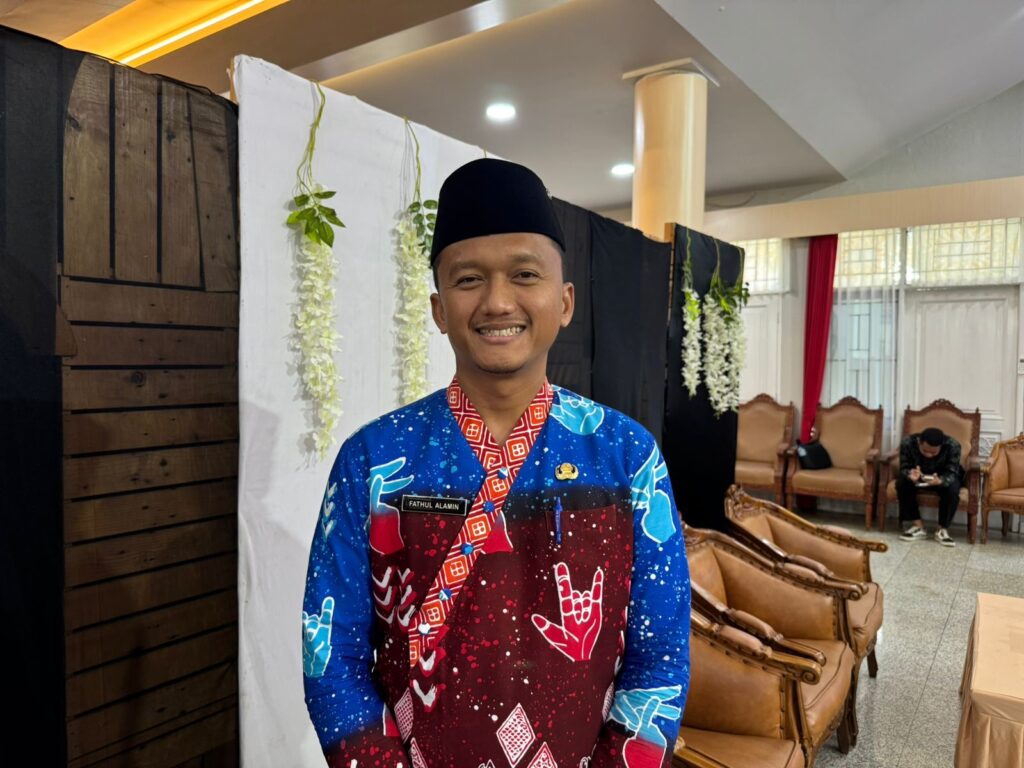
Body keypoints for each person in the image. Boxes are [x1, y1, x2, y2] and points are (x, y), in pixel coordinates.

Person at [301, 158, 690, 768]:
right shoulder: (374, 459)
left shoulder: (626, 456)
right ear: (438, 310)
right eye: (469, 280)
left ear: (565, 301)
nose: (498, 301)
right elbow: (332, 659)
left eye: (524, 274)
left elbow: (660, 656)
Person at [897, 427, 964, 546]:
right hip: (918, 475)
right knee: (902, 483)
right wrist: (910, 474)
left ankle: (942, 529)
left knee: (952, 488)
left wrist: (941, 480)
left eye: (933, 453)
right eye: (925, 451)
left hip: (941, 477)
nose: (928, 455)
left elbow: (952, 472)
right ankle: (918, 526)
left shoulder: (953, 446)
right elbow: (904, 467)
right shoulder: (907, 443)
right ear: (919, 442)